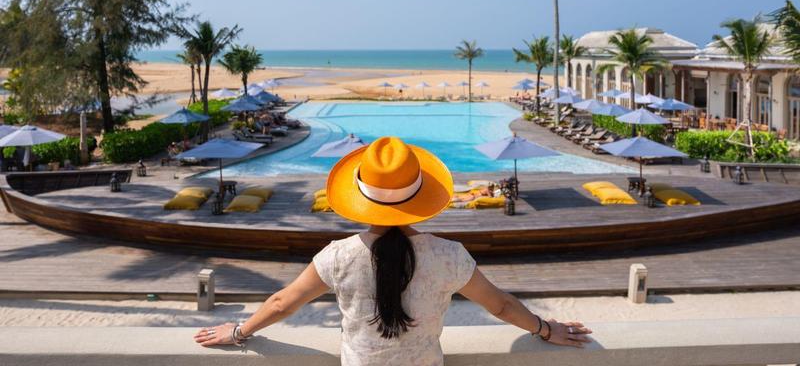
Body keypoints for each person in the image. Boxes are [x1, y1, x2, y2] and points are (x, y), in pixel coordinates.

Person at [194, 136, 591, 363]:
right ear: (420, 197)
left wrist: (238, 331)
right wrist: (546, 328)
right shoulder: (449, 256)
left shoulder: (338, 255)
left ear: (359, 197)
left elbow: (284, 303)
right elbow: (500, 306)